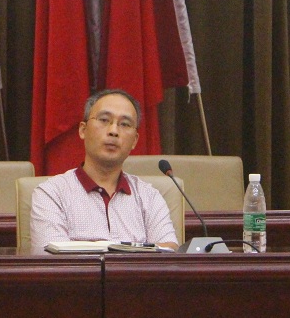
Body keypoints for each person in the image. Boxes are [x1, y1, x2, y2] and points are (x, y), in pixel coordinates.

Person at [30, 89, 179, 253]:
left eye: (125, 124)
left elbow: (168, 252)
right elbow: (52, 260)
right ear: (83, 130)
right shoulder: (51, 194)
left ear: (135, 141)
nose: (113, 131)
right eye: (104, 120)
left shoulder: (149, 196)